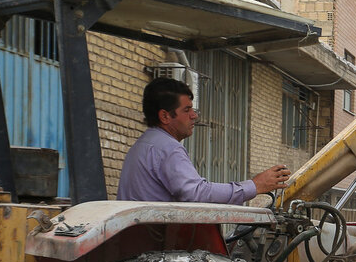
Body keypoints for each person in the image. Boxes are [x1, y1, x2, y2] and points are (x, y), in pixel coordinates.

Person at [117, 77, 290, 203]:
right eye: (187, 110)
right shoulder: (168, 148)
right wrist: (254, 185)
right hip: (156, 240)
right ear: (165, 116)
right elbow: (196, 193)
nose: (194, 116)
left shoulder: (142, 145)